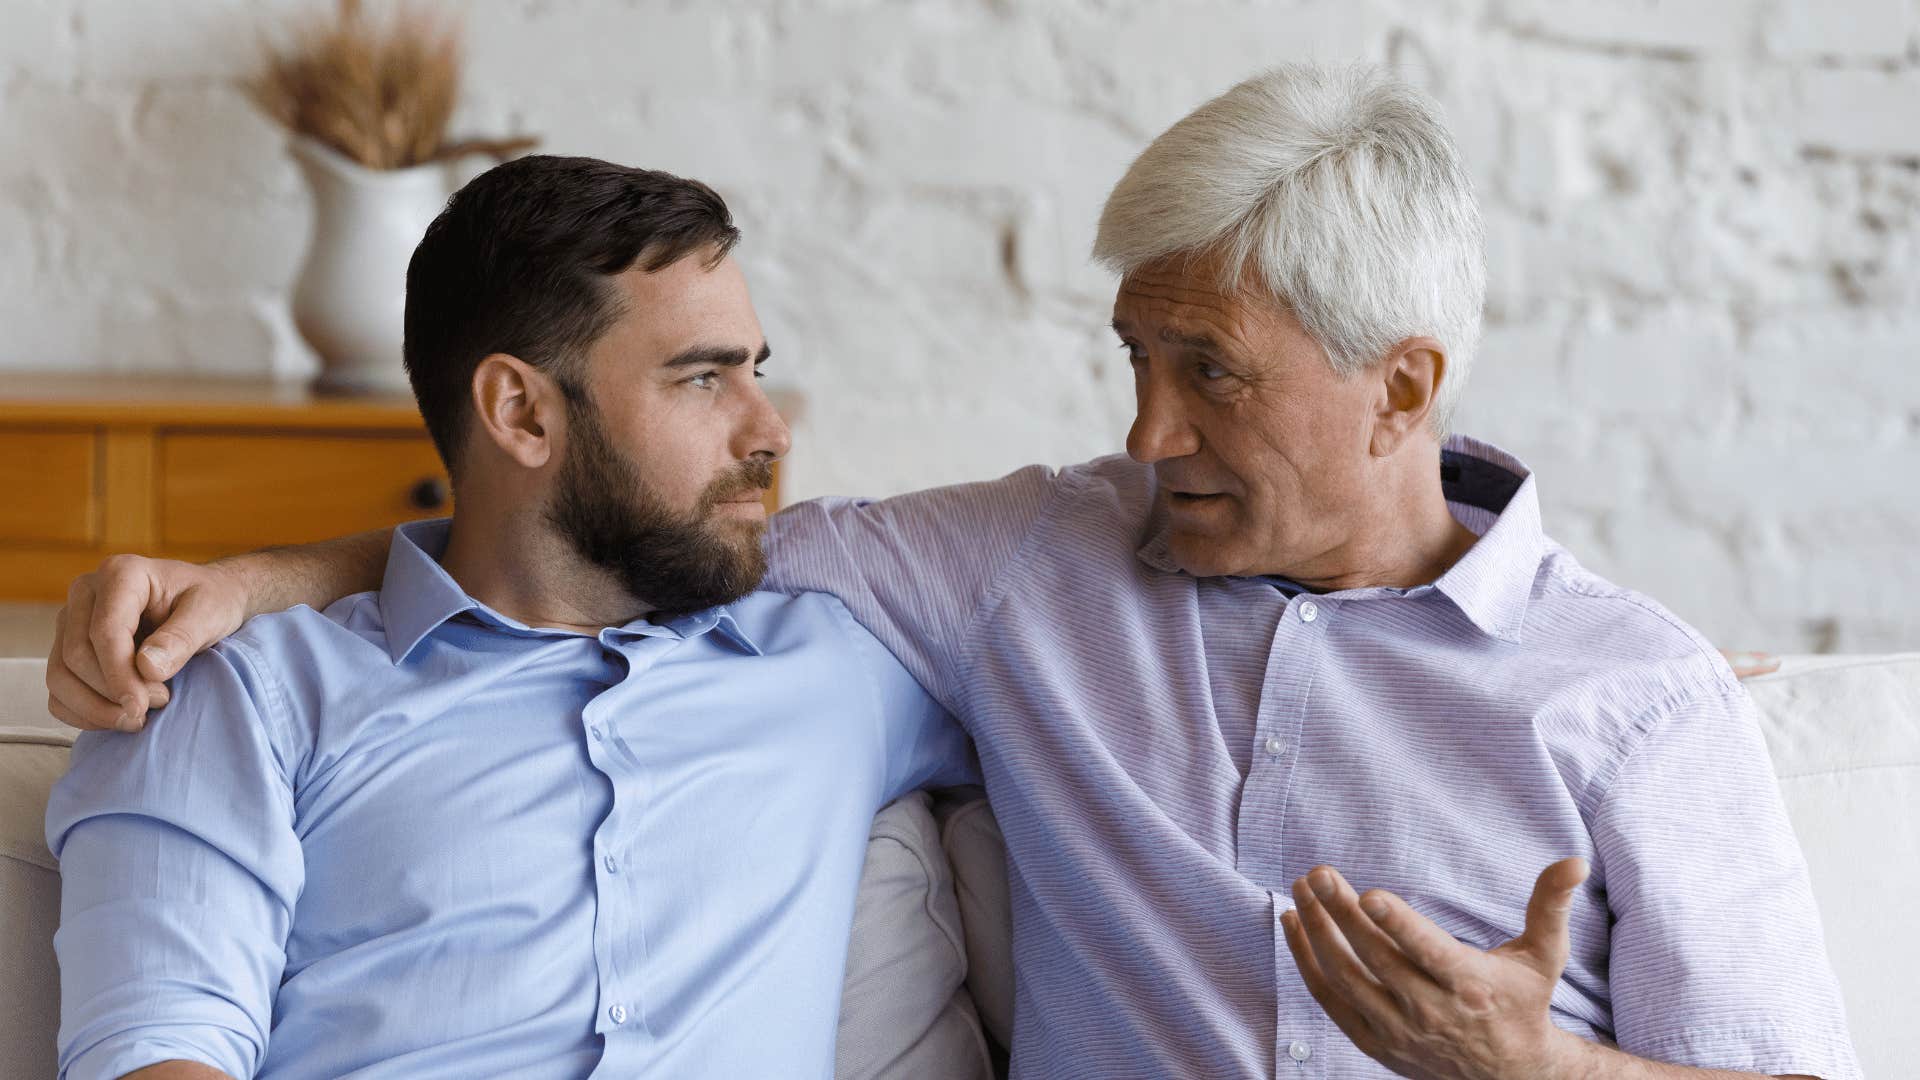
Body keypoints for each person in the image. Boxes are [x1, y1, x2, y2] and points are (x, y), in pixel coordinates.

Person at [49, 64, 1857, 1079]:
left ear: (1403, 387)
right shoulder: (1029, 570)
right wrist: (275, 575)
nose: (1144, 435)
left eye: (1208, 374)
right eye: (1132, 362)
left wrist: (1544, 1076)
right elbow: (599, 552)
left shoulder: (1633, 695)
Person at [44, 159, 974, 1080]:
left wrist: (259, 574)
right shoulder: (238, 694)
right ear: (520, 411)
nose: (770, 430)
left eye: (755, 372)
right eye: (702, 379)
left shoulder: (844, 663)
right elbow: (157, 1046)